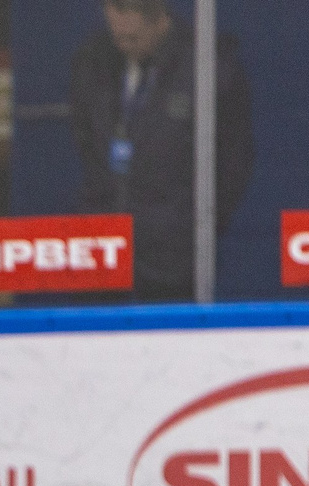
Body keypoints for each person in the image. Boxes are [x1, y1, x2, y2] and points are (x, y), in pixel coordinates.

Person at [69, 0, 253, 301]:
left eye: (133, 38)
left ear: (159, 20)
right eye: (117, 36)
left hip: (175, 256)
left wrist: (193, 225)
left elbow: (234, 161)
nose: (123, 45)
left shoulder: (206, 66)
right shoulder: (94, 61)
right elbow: (86, 139)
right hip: (105, 247)